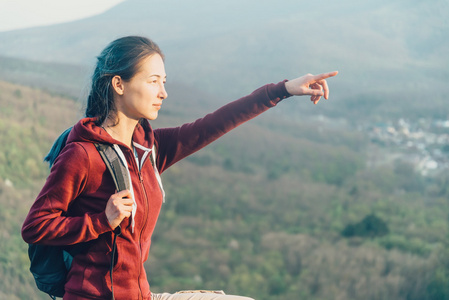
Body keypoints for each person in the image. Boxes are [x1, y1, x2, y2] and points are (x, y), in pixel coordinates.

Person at [21, 35, 338, 300]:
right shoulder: (84, 154)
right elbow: (35, 226)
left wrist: (282, 90)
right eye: (153, 81)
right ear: (119, 84)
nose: (163, 92)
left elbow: (213, 124)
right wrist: (101, 221)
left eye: (164, 82)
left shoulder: (149, 149)